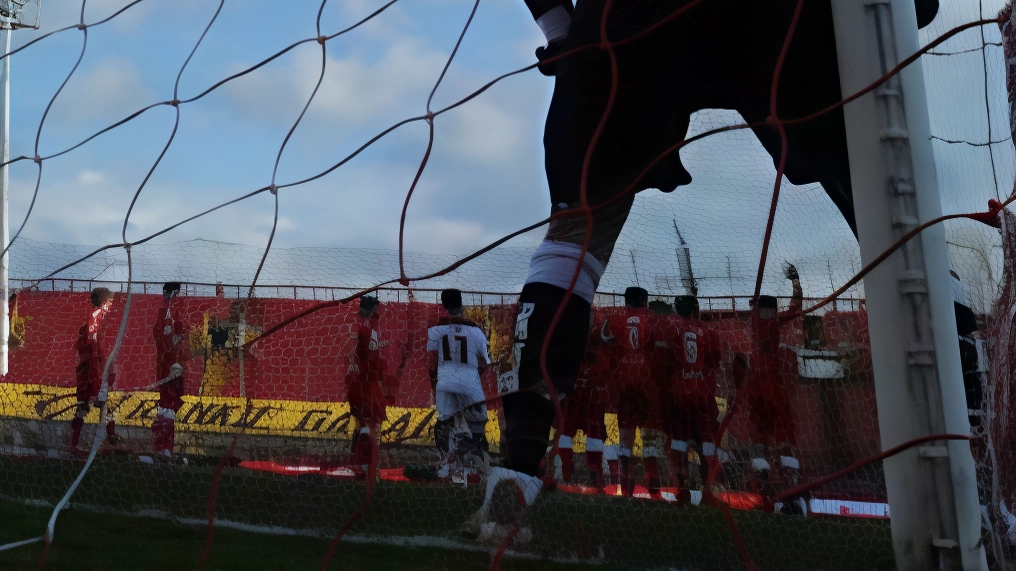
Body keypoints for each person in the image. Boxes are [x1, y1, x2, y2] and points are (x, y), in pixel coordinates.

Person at [732, 265, 806, 515]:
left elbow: (756, 307)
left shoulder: (753, 320)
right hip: (774, 386)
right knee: (784, 440)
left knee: (759, 442)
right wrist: (796, 282)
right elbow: (796, 307)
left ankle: (763, 496)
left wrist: (754, 302)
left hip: (755, 387)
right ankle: (791, 494)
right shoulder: (776, 321)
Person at [655, 295, 726, 495]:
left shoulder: (670, 328)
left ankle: (681, 485)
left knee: (678, 439)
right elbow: (714, 361)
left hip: (679, 394)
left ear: (677, 309)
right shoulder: (709, 332)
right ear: (696, 310)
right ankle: (709, 488)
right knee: (707, 442)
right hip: (702, 395)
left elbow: (664, 361)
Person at [600, 287, 662, 496]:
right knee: (649, 435)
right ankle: (653, 479)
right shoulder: (653, 319)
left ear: (626, 301)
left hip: (625, 381)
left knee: (625, 435)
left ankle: (626, 483)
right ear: (645, 301)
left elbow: (605, 340)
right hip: (647, 381)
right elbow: (659, 347)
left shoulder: (616, 319)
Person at [426, 289, 491, 480]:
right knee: (476, 424)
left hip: (445, 383)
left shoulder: (435, 331)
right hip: (469, 383)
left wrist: (435, 386)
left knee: (445, 423)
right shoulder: (476, 331)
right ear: (461, 304)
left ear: (443, 305)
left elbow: (430, 363)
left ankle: (447, 464)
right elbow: (484, 364)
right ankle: (475, 464)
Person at [345, 296, 407, 474]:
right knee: (370, 424)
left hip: (353, 382)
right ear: (372, 311)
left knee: (359, 423)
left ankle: (355, 459)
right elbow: (372, 359)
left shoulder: (351, 326)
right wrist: (382, 370)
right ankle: (365, 464)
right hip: (366, 384)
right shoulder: (367, 329)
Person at [556, 316, 611, 492]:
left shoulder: (597, 339)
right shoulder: (568, 341)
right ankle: (565, 478)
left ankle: (597, 482)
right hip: (574, 395)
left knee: (593, 436)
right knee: (566, 434)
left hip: (590, 395)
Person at [70, 287, 119, 450]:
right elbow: (94, 348)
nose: (111, 305)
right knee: (103, 403)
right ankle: (110, 437)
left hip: (88, 369)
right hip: (95, 369)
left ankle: (75, 443)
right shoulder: (97, 317)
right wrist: (101, 373)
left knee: (86, 406)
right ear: (104, 302)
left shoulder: (93, 319)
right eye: (109, 302)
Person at [151, 282, 190, 463]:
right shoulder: (170, 311)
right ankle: (164, 448)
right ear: (173, 293)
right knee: (168, 407)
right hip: (171, 368)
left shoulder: (167, 311)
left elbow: (162, 335)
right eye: (177, 293)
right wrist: (176, 361)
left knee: (166, 407)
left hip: (168, 367)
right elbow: (171, 337)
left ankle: (163, 448)